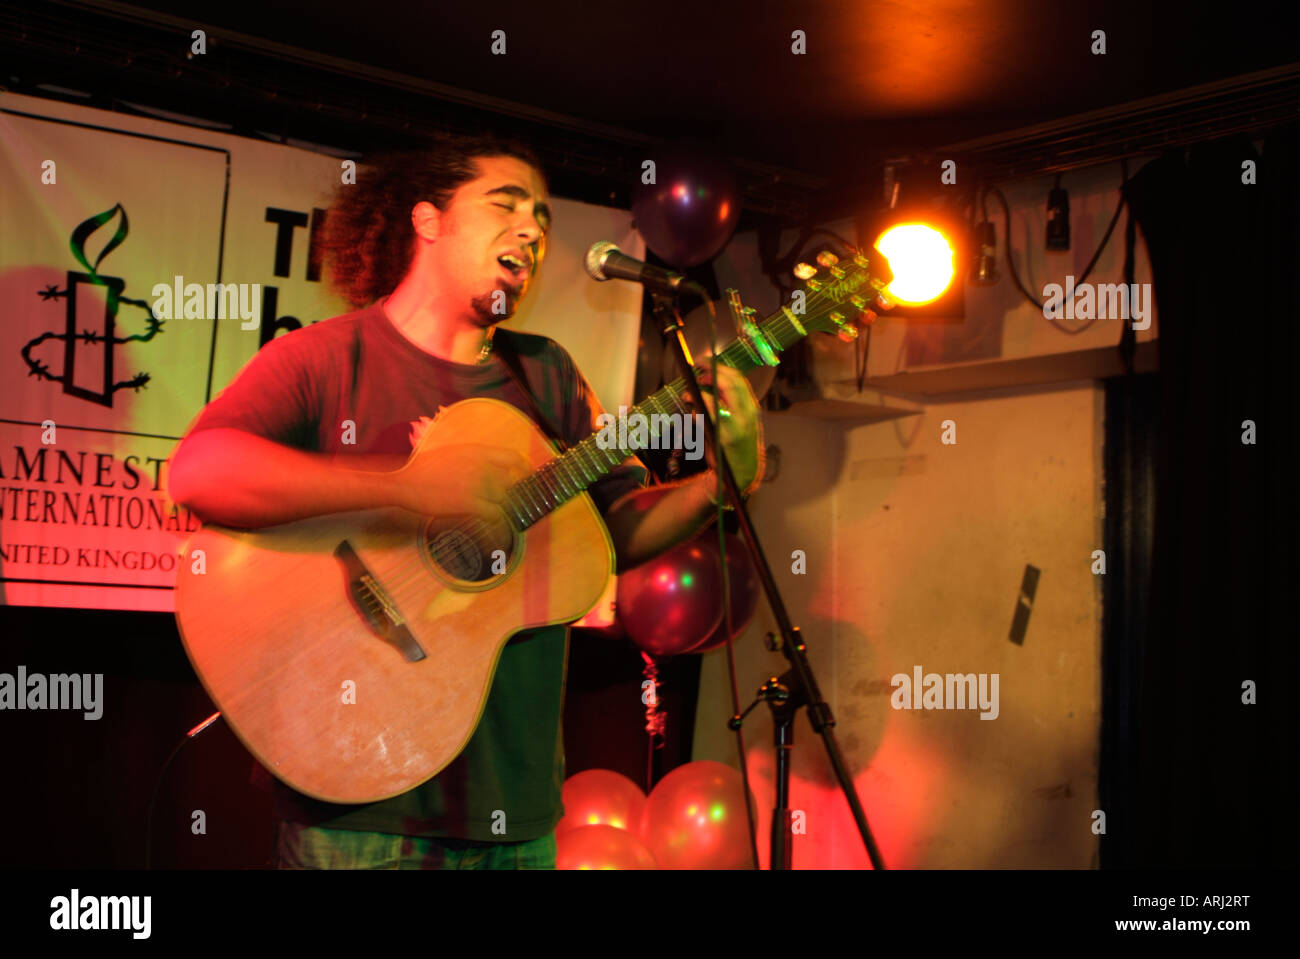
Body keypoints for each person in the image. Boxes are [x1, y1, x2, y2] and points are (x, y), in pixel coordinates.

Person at [167, 133, 764, 870]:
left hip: (514, 813)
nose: (532, 230)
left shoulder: (546, 375)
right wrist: (412, 488)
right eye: (505, 205)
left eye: (543, 217)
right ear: (428, 221)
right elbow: (199, 470)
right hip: (357, 808)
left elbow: (613, 535)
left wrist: (719, 485)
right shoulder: (329, 356)